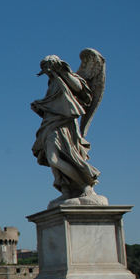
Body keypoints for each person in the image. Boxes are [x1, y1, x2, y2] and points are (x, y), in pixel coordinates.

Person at [30, 50, 107, 207]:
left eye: (47, 67)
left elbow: (80, 89)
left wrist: (63, 73)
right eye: (44, 69)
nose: (46, 72)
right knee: (52, 159)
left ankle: (85, 186)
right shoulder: (52, 84)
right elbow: (53, 104)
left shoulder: (68, 77)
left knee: (62, 157)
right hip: (51, 124)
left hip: (66, 125)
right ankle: (66, 190)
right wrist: (40, 105)